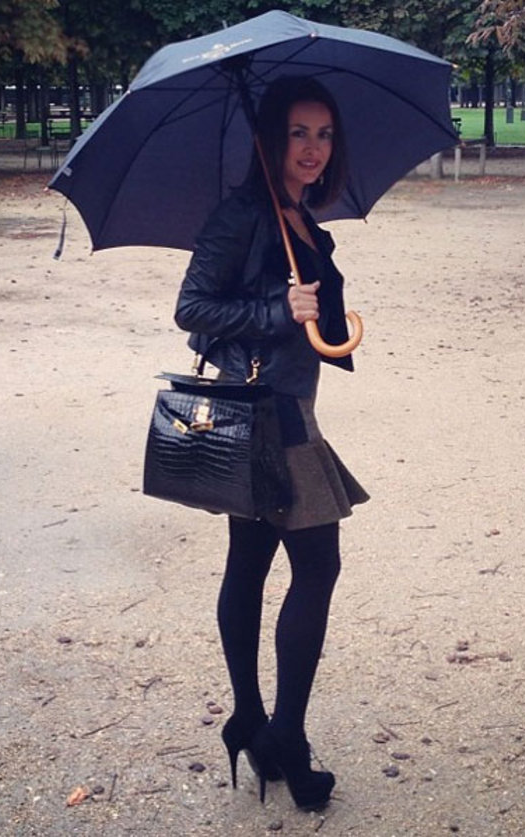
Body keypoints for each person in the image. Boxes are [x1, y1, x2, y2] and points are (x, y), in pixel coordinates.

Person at [173, 76, 369, 812]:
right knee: (318, 563)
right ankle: (285, 733)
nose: (313, 148)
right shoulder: (244, 213)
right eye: (298, 133)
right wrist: (277, 308)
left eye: (324, 134)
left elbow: (308, 319)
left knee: (250, 561)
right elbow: (191, 307)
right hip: (264, 417)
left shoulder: (299, 216)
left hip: (285, 406)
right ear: (271, 139)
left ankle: (252, 721)